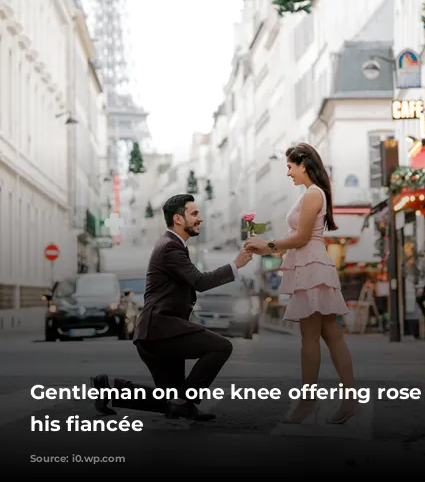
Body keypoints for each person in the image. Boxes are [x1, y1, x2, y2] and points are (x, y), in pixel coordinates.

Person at [91, 194, 252, 424]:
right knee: (221, 347)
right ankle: (184, 402)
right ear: (178, 219)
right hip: (161, 329)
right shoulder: (170, 247)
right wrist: (235, 266)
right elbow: (200, 282)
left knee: (171, 400)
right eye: (194, 214)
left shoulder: (172, 245)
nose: (200, 219)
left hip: (155, 333)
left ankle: (109, 388)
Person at [245, 143, 355, 425]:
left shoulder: (311, 195)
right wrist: (265, 246)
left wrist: (267, 244)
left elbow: (301, 237)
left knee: (312, 337)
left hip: (311, 266)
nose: (288, 173)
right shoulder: (312, 194)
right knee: (331, 334)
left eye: (290, 167)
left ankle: (309, 402)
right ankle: (345, 399)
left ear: (303, 165)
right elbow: (296, 236)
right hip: (311, 265)